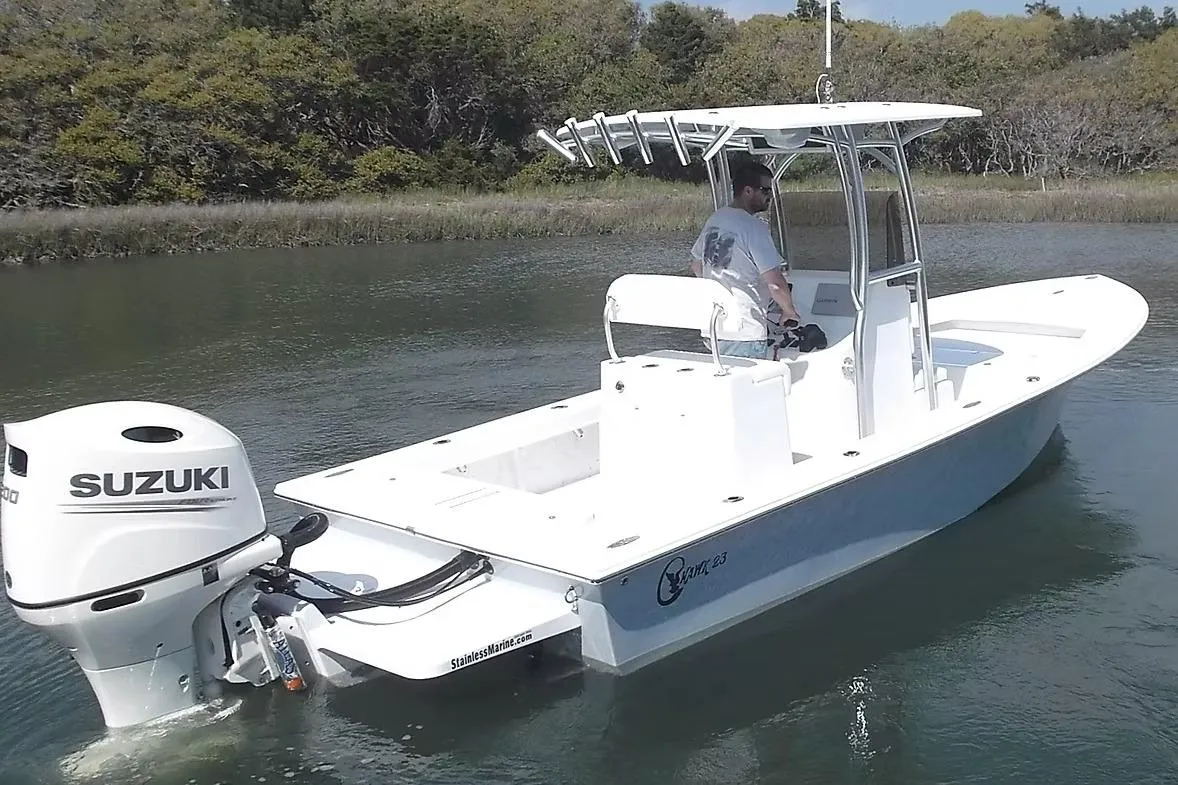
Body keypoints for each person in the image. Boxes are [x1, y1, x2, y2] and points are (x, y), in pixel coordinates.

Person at [689, 161, 803, 360]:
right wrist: (789, 311)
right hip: (744, 332)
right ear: (748, 191)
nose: (770, 196)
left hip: (713, 329)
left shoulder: (716, 219)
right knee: (749, 388)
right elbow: (776, 284)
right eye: (765, 190)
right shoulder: (753, 228)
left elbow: (697, 265)